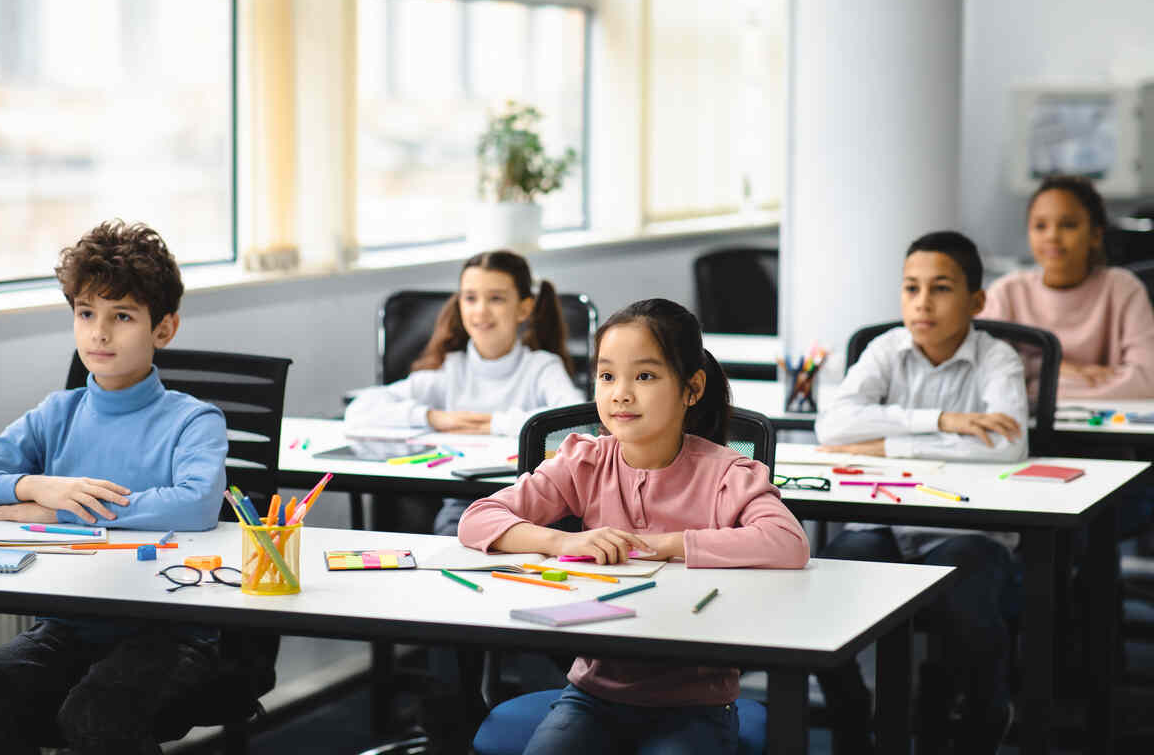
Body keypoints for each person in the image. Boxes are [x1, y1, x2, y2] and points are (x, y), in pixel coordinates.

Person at [458, 298, 810, 755]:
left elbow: (788, 543)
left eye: (644, 376)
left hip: (695, 701)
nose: (621, 393)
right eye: (607, 376)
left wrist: (664, 544)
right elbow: (479, 518)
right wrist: (565, 540)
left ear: (692, 388)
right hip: (592, 694)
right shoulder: (583, 461)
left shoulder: (727, 472)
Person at [0, 220, 228, 755]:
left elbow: (196, 504)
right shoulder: (57, 414)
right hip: (69, 624)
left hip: (169, 629)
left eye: (121, 316)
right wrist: (36, 485)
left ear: (164, 329)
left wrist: (63, 514)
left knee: (97, 715)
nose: (99, 333)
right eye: (86, 314)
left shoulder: (194, 419)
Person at [814, 231, 1026, 754]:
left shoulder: (999, 360)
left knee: (968, 593)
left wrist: (887, 446)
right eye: (911, 288)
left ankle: (983, 714)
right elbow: (833, 425)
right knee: (823, 586)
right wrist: (942, 421)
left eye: (941, 288)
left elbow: (1006, 444)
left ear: (976, 300)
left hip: (966, 530)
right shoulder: (886, 348)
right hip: (883, 524)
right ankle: (850, 710)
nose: (922, 303)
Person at [345, 250, 583, 535]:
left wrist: (492, 424)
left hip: (534, 505)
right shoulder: (450, 370)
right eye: (470, 298)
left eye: (495, 298)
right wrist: (434, 418)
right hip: (463, 505)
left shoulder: (542, 367)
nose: (480, 311)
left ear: (524, 308)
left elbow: (577, 424)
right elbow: (359, 411)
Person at [981, 174, 1154, 399]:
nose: (1052, 236)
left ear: (1095, 235)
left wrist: (1033, 383)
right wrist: (1056, 368)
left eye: (1068, 225)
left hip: (1106, 426)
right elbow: (982, 371)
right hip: (1031, 427)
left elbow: (1147, 381)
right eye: (1040, 226)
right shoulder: (1007, 292)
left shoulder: (1123, 289)